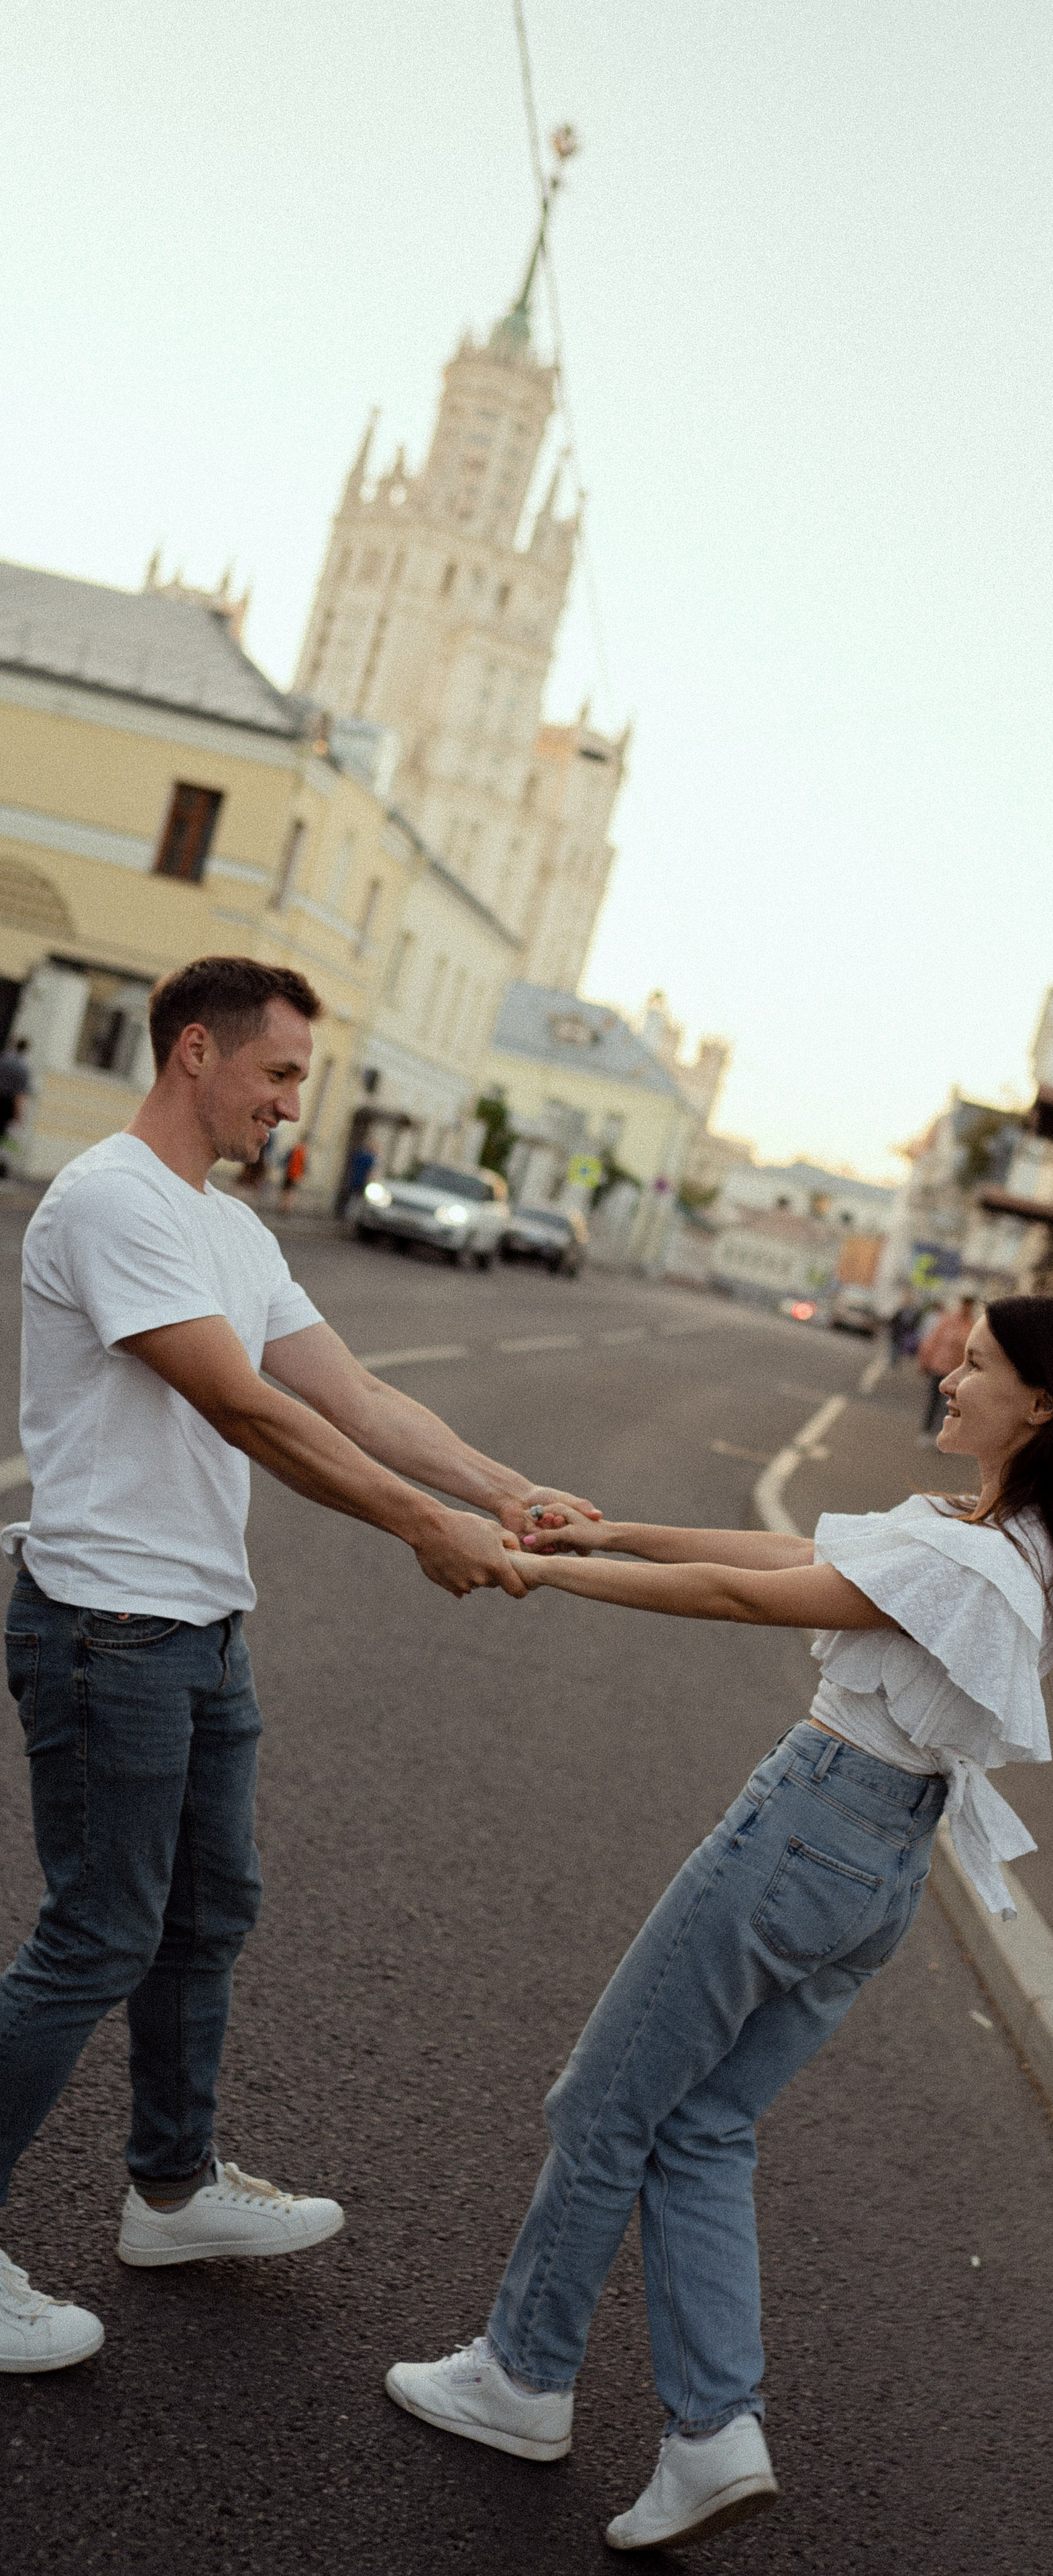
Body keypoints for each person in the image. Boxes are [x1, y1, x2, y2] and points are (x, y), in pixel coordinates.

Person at [385, 1293, 1053, 2553]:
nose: (947, 1373)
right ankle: (712, 2436)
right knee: (702, 2124)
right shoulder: (1008, 1544)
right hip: (882, 1866)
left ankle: (521, 2379)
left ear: (1045, 1405)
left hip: (804, 1830)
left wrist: (545, 1568)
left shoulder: (970, 1563)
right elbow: (784, 1555)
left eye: (981, 1363)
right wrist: (615, 1526)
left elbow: (759, 1606)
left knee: (605, 2101)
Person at [0, 956, 599, 2376]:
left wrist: (509, 1490)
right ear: (195, 1052)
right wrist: (421, 1528)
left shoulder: (228, 1228)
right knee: (97, 1934)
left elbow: (355, 1394)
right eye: (276, 1078)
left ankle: (174, 2190)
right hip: (109, 1625)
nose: (288, 1108)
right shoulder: (109, 1204)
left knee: (207, 1915)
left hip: (201, 1623)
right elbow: (245, 1408)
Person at [916, 1290, 977, 1438]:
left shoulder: (971, 1327)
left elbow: (972, 1353)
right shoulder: (947, 1321)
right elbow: (932, 1341)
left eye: (970, 1305)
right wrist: (924, 1361)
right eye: (965, 1304)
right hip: (938, 1367)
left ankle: (941, 1435)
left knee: (948, 1406)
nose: (966, 1308)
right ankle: (926, 1431)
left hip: (956, 1374)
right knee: (933, 1400)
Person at [0, 1031, 32, 1171]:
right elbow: (19, 1095)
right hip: (8, 1105)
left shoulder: (3, 1060)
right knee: (6, 1137)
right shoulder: (23, 1069)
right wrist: (19, 1115)